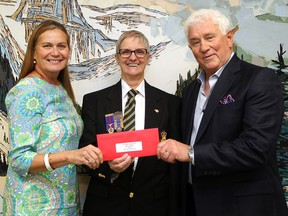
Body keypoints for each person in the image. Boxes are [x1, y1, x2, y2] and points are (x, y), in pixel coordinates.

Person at [157, 8, 288, 216]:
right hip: (196, 204)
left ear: (229, 38)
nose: (204, 47)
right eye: (195, 42)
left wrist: (190, 153)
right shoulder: (191, 90)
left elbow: (255, 149)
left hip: (243, 207)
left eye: (209, 37)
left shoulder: (259, 79)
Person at [3, 20, 103, 215]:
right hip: (33, 207)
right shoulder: (26, 91)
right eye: (47, 45)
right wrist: (70, 156)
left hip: (65, 204)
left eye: (61, 46)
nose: (55, 52)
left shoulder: (60, 89)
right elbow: (20, 160)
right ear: (33, 52)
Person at [79, 30, 182, 216]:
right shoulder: (95, 102)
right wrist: (108, 167)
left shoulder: (170, 104)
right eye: (125, 52)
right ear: (117, 58)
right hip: (106, 206)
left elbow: (175, 164)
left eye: (139, 52)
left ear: (148, 57)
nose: (132, 57)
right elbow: (85, 152)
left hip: (154, 207)